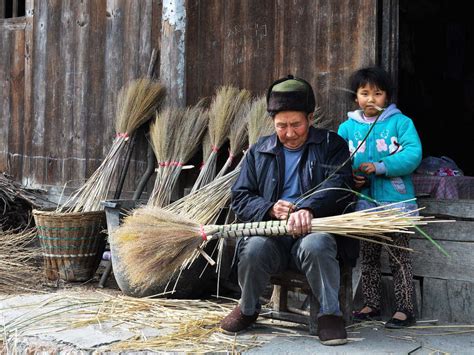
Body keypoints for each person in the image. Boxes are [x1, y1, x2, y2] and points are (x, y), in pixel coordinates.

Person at [220, 75, 356, 346]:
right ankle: (248, 308)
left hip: (314, 233)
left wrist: (308, 208)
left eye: (296, 124)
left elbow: (340, 186)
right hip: (274, 238)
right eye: (282, 126)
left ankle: (330, 315)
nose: (290, 133)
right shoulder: (260, 150)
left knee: (317, 244)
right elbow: (240, 196)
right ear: (273, 122)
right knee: (254, 247)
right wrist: (269, 208)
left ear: (310, 117)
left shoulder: (332, 145)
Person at [337, 66, 422, 328]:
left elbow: (413, 153)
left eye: (378, 93)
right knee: (369, 256)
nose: (371, 98)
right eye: (365, 93)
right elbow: (338, 161)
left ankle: (405, 309)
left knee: (399, 256)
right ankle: (371, 305)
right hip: (365, 204)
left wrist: (381, 166)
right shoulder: (347, 128)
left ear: (387, 97)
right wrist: (353, 177)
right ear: (356, 98)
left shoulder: (401, 123)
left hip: (396, 203)